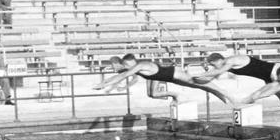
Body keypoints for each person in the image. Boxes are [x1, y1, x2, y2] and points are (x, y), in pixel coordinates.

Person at [94, 53, 236, 101]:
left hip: (174, 73)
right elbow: (120, 75)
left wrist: (105, 85)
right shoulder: (133, 67)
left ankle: (227, 95)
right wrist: (104, 83)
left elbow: (124, 74)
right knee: (198, 86)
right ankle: (221, 96)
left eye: (127, 64)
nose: (126, 67)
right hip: (170, 77)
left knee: (199, 83)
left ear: (132, 62)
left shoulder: (140, 65)